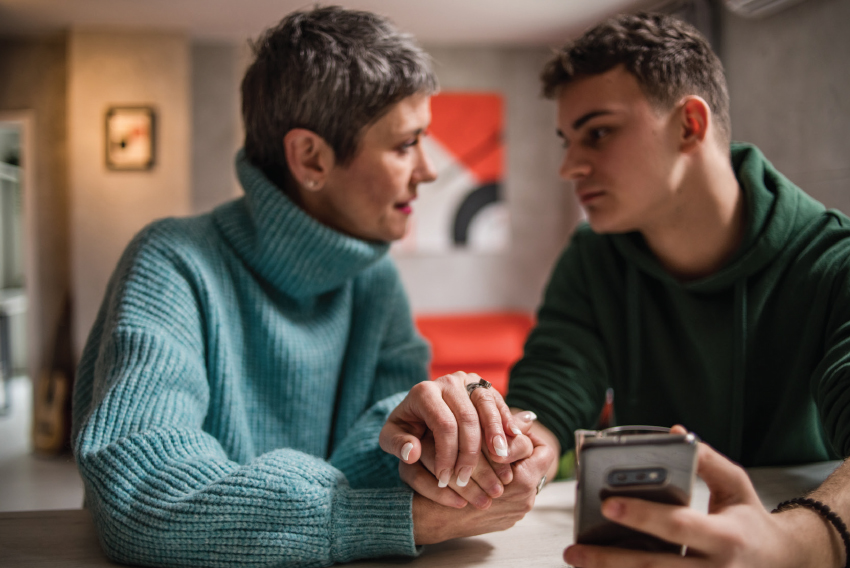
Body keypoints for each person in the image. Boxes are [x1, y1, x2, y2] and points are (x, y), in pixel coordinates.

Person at [71, 7, 537, 567]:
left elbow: (380, 464)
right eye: (404, 145)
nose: (429, 170)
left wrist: (455, 452)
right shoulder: (172, 262)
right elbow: (142, 494)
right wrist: (382, 518)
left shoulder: (375, 279)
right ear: (311, 158)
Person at [502, 12, 850, 568]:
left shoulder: (836, 261)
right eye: (567, 140)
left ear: (689, 124)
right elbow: (550, 394)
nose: (569, 166)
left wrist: (800, 541)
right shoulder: (593, 258)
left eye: (598, 132)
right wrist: (514, 453)